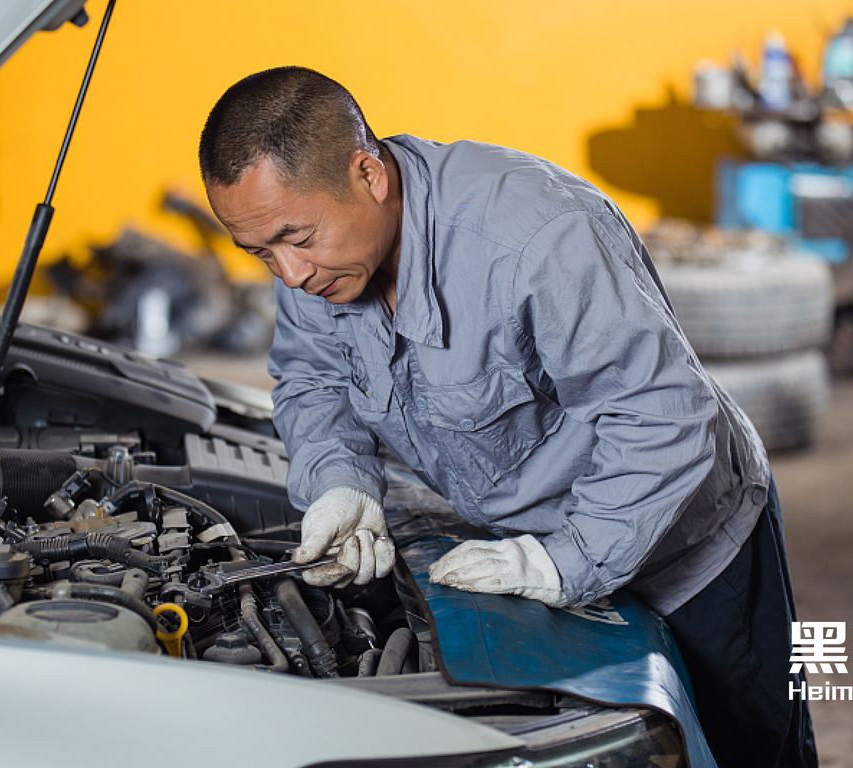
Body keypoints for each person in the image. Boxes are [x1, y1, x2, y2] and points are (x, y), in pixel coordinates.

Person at [197, 66, 817, 768]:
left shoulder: (533, 238)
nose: (290, 274)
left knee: (747, 748)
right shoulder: (318, 251)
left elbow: (663, 417)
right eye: (259, 253)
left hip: (688, 545)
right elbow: (312, 376)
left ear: (368, 174)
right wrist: (340, 482)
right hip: (523, 541)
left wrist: (564, 562)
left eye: (294, 238)